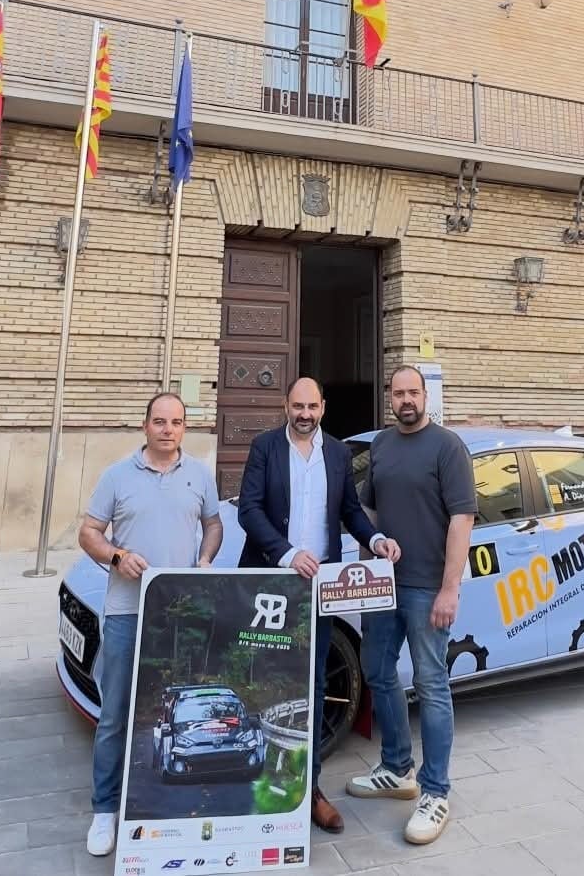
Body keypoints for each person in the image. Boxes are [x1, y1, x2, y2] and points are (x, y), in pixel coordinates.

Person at [237, 376, 401, 835]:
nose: (304, 413)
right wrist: (286, 552)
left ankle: (308, 791)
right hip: (271, 584)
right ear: (285, 406)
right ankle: (253, 785)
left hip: (321, 588)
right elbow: (248, 509)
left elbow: (349, 510)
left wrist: (376, 538)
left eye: (312, 406)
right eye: (297, 406)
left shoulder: (336, 452)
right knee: (263, 680)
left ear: (323, 408)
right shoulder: (265, 447)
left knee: (309, 685)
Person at [78, 391, 223, 858]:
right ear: (145, 426)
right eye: (159, 421)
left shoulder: (199, 475)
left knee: (180, 714)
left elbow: (214, 524)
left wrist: (205, 558)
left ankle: (171, 803)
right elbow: (89, 533)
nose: (168, 429)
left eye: (176, 422)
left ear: (185, 428)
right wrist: (116, 556)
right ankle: (105, 809)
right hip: (126, 613)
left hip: (178, 618)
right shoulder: (118, 476)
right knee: (117, 712)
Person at [345, 365, 476, 846]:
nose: (405, 400)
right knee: (377, 671)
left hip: (426, 587)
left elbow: (461, 520)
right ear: (391, 398)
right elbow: (371, 513)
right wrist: (364, 569)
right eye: (398, 392)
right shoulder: (381, 445)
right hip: (383, 586)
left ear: (425, 397)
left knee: (431, 683)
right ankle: (397, 768)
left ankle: (436, 790)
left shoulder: (447, 447)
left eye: (413, 392)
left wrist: (450, 589)